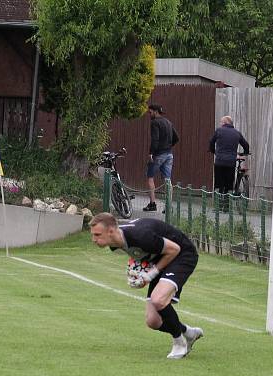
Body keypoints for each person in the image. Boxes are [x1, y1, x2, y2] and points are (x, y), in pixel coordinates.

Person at [89, 213, 204, 359]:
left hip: (182, 254)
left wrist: (150, 275)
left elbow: (174, 249)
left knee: (158, 300)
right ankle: (188, 333)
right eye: (93, 235)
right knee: (153, 321)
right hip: (161, 258)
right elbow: (141, 251)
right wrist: (137, 270)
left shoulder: (140, 235)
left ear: (111, 231)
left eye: (97, 234)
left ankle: (179, 343)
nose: (94, 239)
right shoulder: (115, 242)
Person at [209, 116, 250, 212]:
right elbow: (246, 145)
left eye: (221, 122)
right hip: (231, 163)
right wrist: (245, 153)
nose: (220, 124)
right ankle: (226, 208)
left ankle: (218, 207)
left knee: (219, 184)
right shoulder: (237, 133)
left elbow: (211, 142)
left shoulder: (219, 131)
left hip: (219, 161)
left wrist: (213, 151)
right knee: (228, 184)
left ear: (225, 122)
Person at [143, 104, 179, 212]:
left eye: (150, 112)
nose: (149, 114)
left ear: (155, 111)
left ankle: (152, 203)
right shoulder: (168, 122)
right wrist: (168, 146)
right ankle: (168, 207)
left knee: (150, 177)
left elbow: (155, 139)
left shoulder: (155, 123)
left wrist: (151, 153)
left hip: (158, 154)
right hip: (169, 154)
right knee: (167, 180)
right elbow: (176, 138)